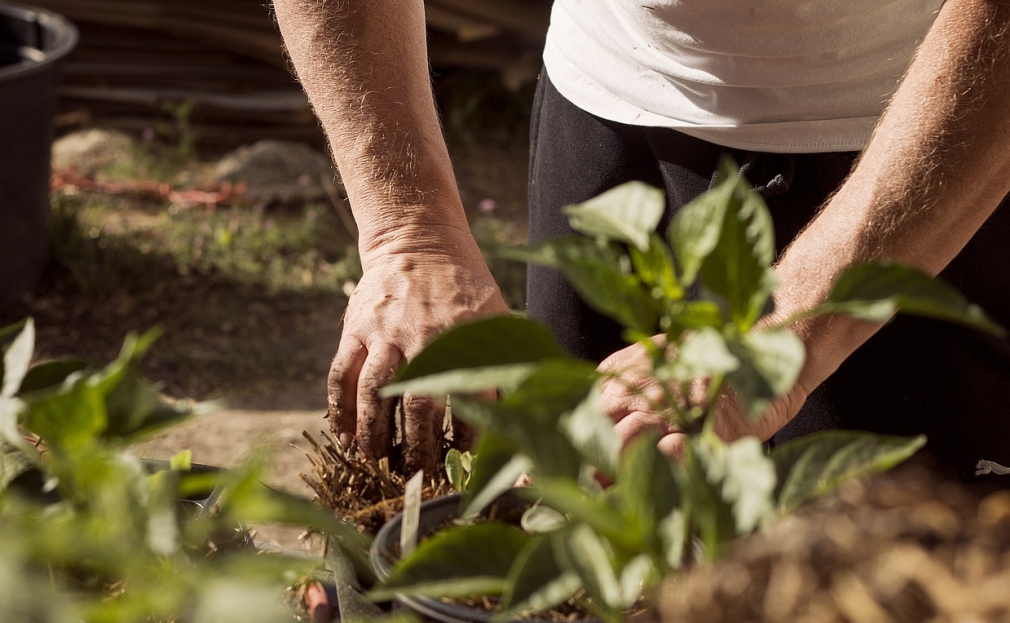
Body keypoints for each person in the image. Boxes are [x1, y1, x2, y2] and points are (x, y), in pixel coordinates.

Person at [272, 0, 1010, 483]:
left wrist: (780, 334)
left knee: (873, 578)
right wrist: (410, 232)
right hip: (606, 109)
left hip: (925, 151)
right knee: (587, 531)